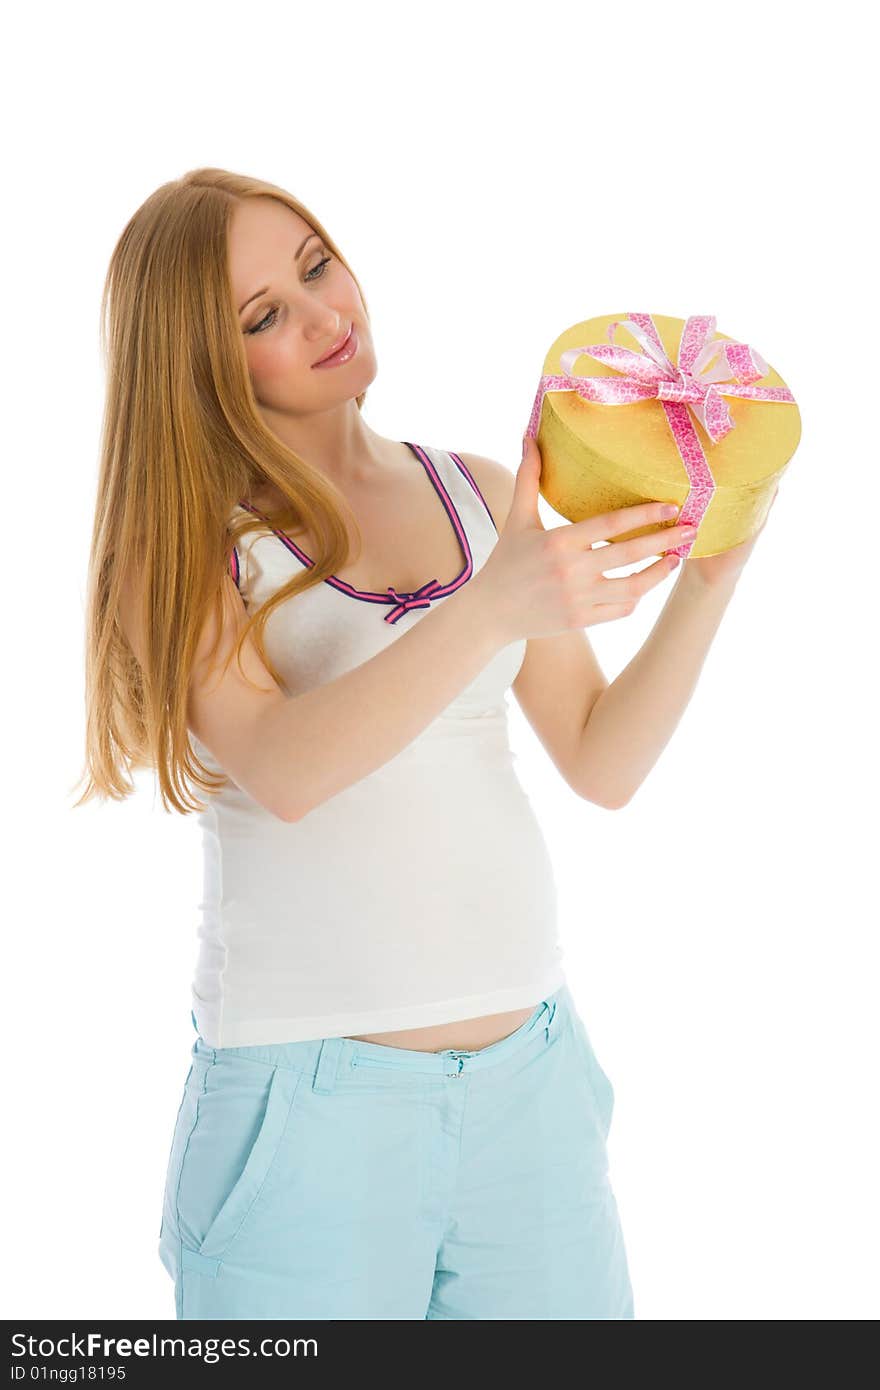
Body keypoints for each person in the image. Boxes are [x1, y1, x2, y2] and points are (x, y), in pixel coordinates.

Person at [75, 167, 759, 1321]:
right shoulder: (193, 545)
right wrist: (494, 606)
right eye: (263, 317)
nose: (323, 313)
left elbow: (599, 759)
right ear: (199, 364)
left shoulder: (481, 493)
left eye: (314, 266)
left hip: (531, 1088)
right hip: (310, 1112)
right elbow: (286, 768)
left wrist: (709, 575)